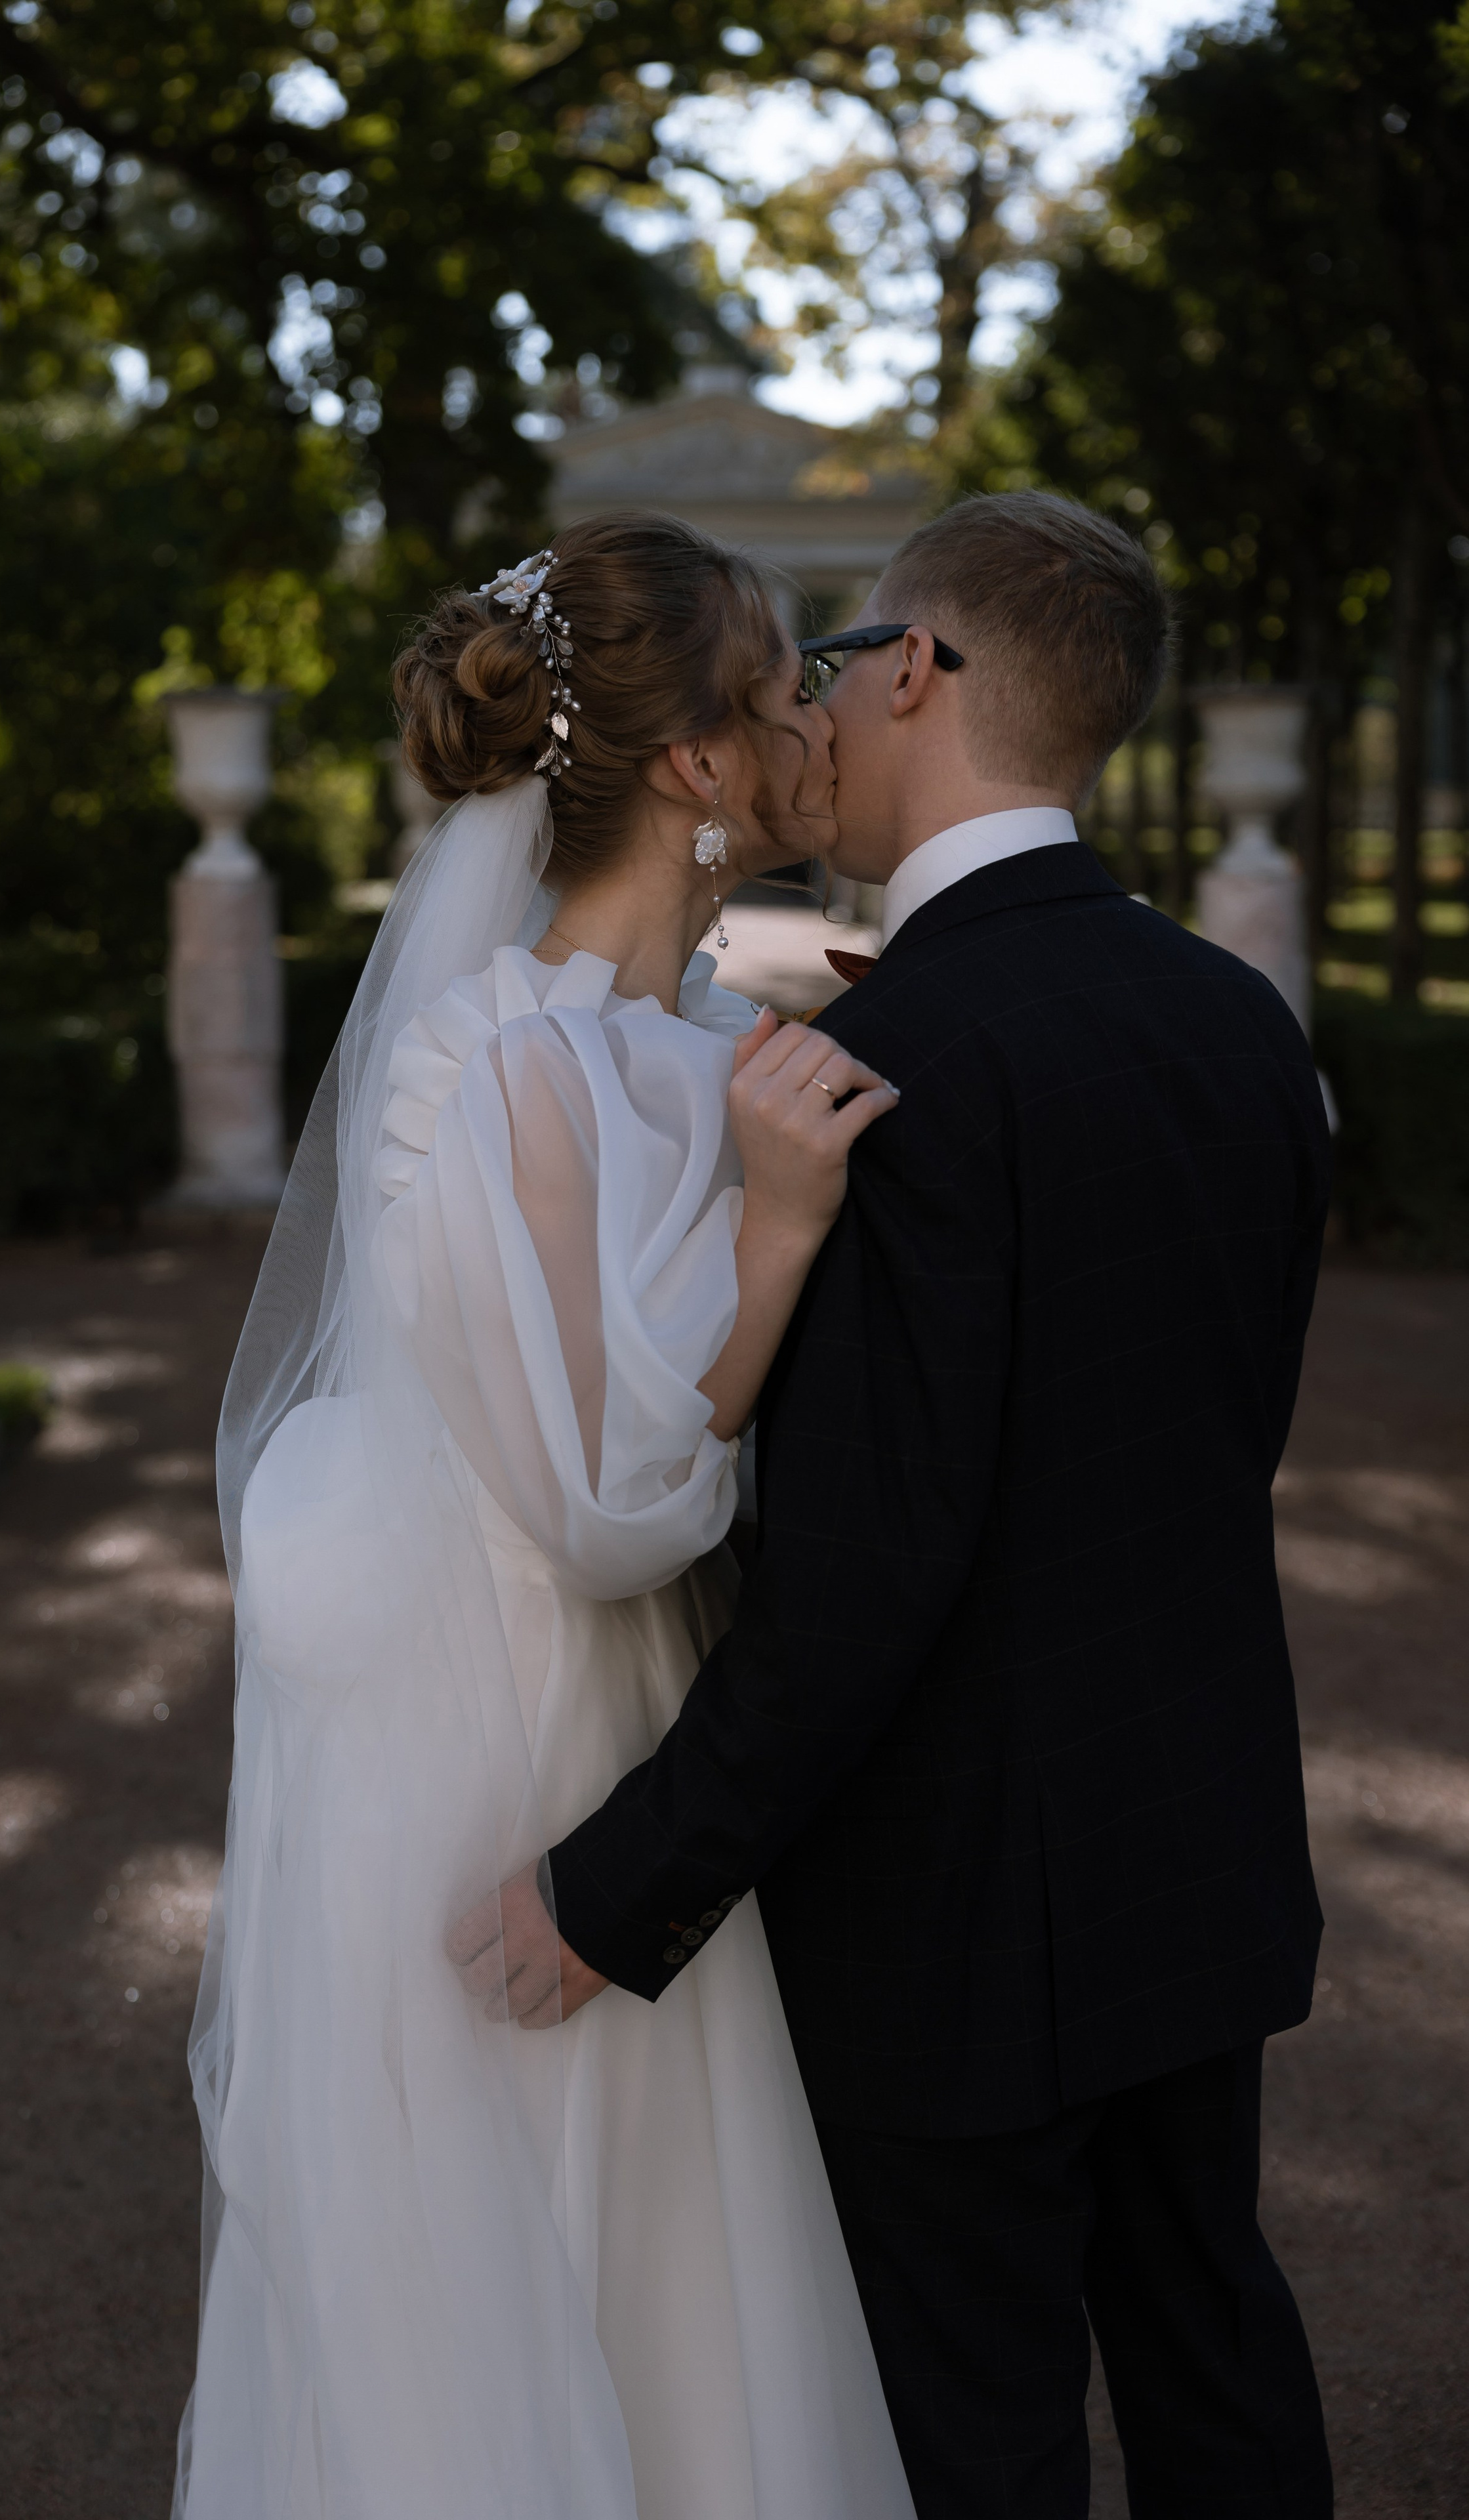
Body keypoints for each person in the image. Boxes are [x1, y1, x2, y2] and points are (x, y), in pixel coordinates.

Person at [482, 492, 1338, 2518]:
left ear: (923, 672)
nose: (829, 712)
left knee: (980, 2432)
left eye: (847, 666)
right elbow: (1193, 1433)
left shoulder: (885, 1071)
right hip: (1196, 1844)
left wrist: (616, 1893)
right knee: (1220, 2356)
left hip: (958, 1918)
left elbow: (861, 1578)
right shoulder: (1240, 1027)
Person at [173, 512, 914, 2519]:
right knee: (537, 2278)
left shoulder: (679, 1038)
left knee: (670, 2284)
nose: (809, 732)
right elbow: (607, 1512)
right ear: (691, 769)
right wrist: (776, 1238)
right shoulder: (509, 1075)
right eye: (777, 702)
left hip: (623, 1725)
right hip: (524, 1733)